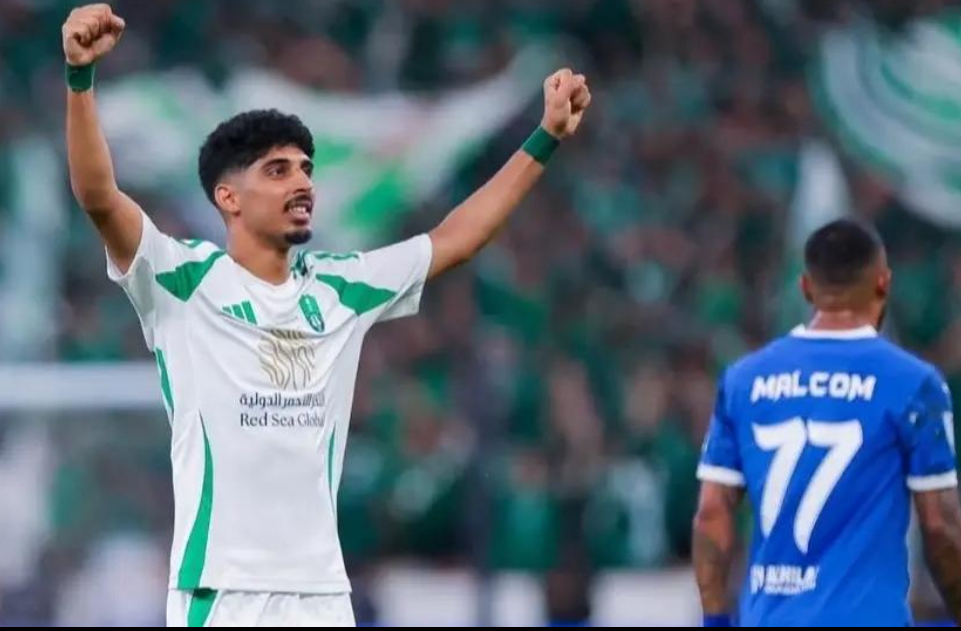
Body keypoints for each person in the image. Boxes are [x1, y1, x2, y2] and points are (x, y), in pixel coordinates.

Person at [61, 4, 591, 626]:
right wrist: (80, 79)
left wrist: (544, 137)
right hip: (223, 595)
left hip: (322, 598)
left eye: (307, 170)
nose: (303, 184)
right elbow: (99, 196)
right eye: (278, 171)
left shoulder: (343, 286)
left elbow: (458, 238)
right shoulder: (180, 279)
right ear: (228, 197)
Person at [692, 219, 961, 627]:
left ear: (806, 288)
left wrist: (716, 622)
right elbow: (940, 525)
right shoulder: (912, 383)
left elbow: (711, 514)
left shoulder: (743, 381)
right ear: (883, 283)